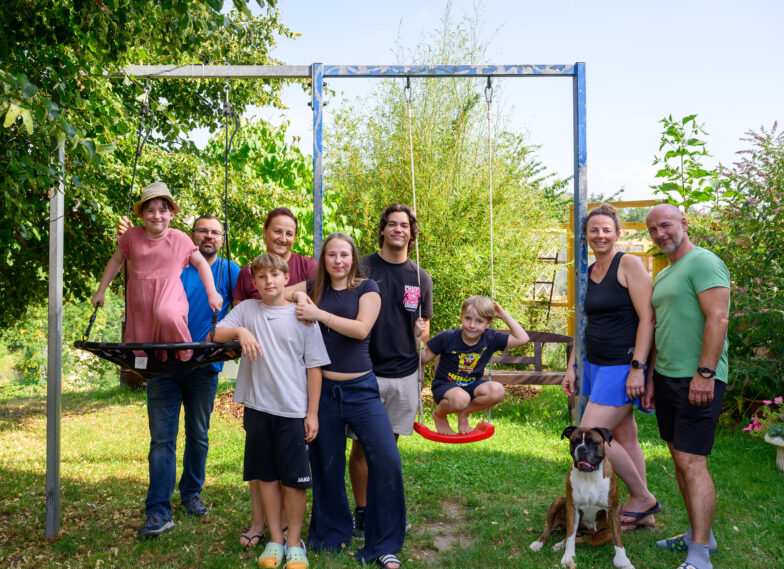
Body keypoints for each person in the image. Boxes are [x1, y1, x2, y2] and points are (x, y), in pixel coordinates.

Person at [116, 212, 239, 538]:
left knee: (198, 434)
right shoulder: (170, 262)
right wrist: (129, 244)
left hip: (202, 366)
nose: (209, 236)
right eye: (203, 231)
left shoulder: (230, 271)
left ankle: (190, 493)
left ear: (222, 239)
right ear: (191, 236)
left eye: (215, 232)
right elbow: (137, 286)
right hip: (163, 365)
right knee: (162, 439)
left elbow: (245, 307)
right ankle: (158, 510)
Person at [289, 232, 406, 569]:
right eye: (331, 255)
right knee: (325, 465)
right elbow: (277, 291)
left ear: (353, 258)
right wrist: (296, 293)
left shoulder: (367, 288)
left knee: (386, 459)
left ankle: (383, 542)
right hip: (321, 390)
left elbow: (361, 329)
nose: (338, 261)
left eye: (344, 255)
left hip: (361, 389)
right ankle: (331, 534)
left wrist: (317, 314)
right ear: (323, 259)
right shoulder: (314, 288)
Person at [213, 253, 329, 569]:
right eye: (262, 277)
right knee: (264, 475)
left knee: (294, 480)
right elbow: (215, 334)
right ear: (254, 282)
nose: (268, 282)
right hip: (258, 408)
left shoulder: (303, 315)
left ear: (286, 278)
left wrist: (313, 413)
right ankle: (275, 540)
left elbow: (314, 368)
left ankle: (294, 544)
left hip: (293, 410)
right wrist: (241, 332)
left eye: (275, 276)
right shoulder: (247, 310)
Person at [561, 203, 660, 530]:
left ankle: (641, 498)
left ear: (618, 234)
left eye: (606, 230)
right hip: (595, 365)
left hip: (622, 365)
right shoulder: (588, 272)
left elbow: (649, 317)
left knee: (591, 435)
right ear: (586, 235)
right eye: (594, 230)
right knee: (626, 436)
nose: (600, 235)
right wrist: (573, 366)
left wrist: (638, 367)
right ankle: (644, 513)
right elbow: (584, 324)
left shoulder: (628, 264)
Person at [643, 203, 730, 569]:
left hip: (698, 378)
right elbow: (662, 328)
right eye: (653, 229)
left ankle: (699, 557)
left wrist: (705, 373)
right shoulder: (664, 274)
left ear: (683, 223)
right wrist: (649, 379)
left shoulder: (703, 261)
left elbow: (718, 316)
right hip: (665, 378)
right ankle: (701, 537)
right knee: (679, 459)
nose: (660, 233)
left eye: (666, 225)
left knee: (693, 462)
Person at [348, 204, 433, 540]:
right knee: (360, 446)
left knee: (387, 448)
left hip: (403, 373)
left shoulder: (420, 277)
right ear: (382, 229)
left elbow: (423, 331)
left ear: (411, 234)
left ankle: (384, 510)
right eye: (392, 224)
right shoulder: (363, 267)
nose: (399, 229)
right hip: (364, 369)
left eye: (405, 225)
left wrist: (421, 338)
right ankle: (362, 513)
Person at [92, 182, 223, 362]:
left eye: (162, 211)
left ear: (172, 214)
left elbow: (201, 264)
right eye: (150, 211)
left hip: (169, 295)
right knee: (142, 337)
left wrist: (212, 293)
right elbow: (115, 261)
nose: (156, 216)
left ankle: (184, 353)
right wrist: (101, 290)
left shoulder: (178, 238)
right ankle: (146, 362)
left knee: (166, 313)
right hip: (140, 300)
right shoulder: (131, 237)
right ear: (142, 215)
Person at [415, 296, 529, 434]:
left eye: (479, 321)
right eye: (468, 318)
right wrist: (416, 337)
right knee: (461, 398)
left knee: (497, 390)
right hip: (445, 385)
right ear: (461, 316)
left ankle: (463, 414)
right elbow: (424, 357)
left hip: (471, 385)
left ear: (488, 323)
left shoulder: (490, 338)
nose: (472, 325)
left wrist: (503, 315)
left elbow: (523, 338)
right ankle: (439, 415)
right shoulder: (447, 337)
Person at [233, 207, 316, 302]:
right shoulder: (248, 272)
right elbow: (239, 312)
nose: (283, 239)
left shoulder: (307, 266)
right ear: (264, 232)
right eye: (277, 231)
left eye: (289, 234)